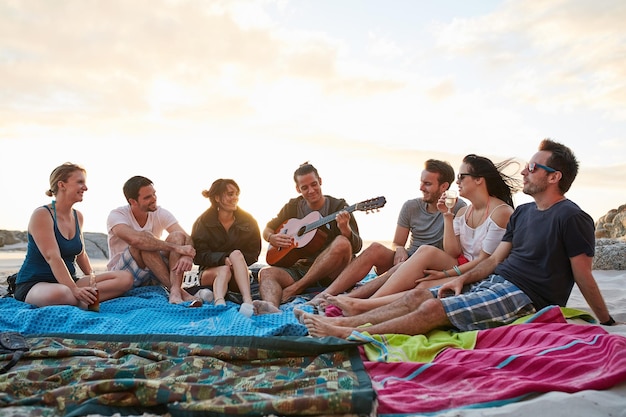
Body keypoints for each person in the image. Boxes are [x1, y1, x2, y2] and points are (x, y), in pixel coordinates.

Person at [302, 139, 616, 338]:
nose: (524, 172)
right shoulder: (524, 214)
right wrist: (457, 281)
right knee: (419, 297)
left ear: (554, 177)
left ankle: (348, 331)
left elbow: (583, 274)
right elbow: (492, 261)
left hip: (525, 296)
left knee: (430, 310)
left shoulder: (572, 217)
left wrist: (607, 321)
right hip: (494, 281)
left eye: (533, 167)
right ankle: (354, 312)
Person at [322, 154, 521, 316]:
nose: (457, 182)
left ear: (479, 180)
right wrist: (447, 217)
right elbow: (454, 251)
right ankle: (356, 301)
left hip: (477, 270)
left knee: (424, 282)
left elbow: (485, 261)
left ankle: (363, 305)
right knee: (417, 254)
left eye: (462, 177)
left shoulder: (500, 212)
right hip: (453, 262)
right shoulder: (462, 211)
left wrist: (444, 274)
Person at [310, 159, 466, 304]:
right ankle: (326, 294)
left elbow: (454, 251)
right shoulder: (410, 206)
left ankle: (349, 300)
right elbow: (398, 242)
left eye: (427, 184)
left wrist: (448, 215)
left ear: (444, 186)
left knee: (402, 266)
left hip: (430, 265)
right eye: (421, 182)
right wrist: (399, 249)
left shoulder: (457, 207)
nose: (421, 188)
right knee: (375, 249)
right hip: (405, 259)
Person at [14, 163, 133, 308]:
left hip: (70, 280)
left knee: (125, 278)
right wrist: (74, 289)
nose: (85, 187)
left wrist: (92, 279)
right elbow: (53, 257)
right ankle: (83, 300)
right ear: (62, 185)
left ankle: (82, 300)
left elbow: (81, 253)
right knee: (63, 293)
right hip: (35, 284)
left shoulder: (78, 216)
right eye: (80, 182)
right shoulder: (42, 214)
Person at [253, 162, 363, 314]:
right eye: (304, 187)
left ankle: (296, 289)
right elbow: (268, 228)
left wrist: (345, 229)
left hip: (331, 272)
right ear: (298, 189)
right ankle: (271, 309)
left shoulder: (338, 206)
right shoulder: (293, 206)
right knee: (265, 273)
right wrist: (271, 237)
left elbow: (356, 246)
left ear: (320, 181)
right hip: (302, 268)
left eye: (314, 184)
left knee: (342, 242)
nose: (311, 190)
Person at [107, 175, 200, 306]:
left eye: (154, 194)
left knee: (177, 236)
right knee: (145, 240)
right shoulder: (117, 215)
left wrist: (187, 256)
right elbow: (136, 240)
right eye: (147, 197)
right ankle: (178, 291)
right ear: (133, 201)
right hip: (124, 275)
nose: (154, 199)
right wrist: (177, 248)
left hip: (155, 272)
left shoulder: (159, 212)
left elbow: (187, 237)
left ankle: (174, 291)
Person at [191, 179, 261, 313]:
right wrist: (222, 259)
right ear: (217, 197)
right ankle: (219, 303)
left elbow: (254, 252)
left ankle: (248, 301)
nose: (235, 198)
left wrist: (235, 263)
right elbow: (198, 255)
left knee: (236, 254)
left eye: (236, 194)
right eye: (230, 194)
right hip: (209, 273)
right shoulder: (203, 222)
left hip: (238, 272)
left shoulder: (248, 220)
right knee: (224, 269)